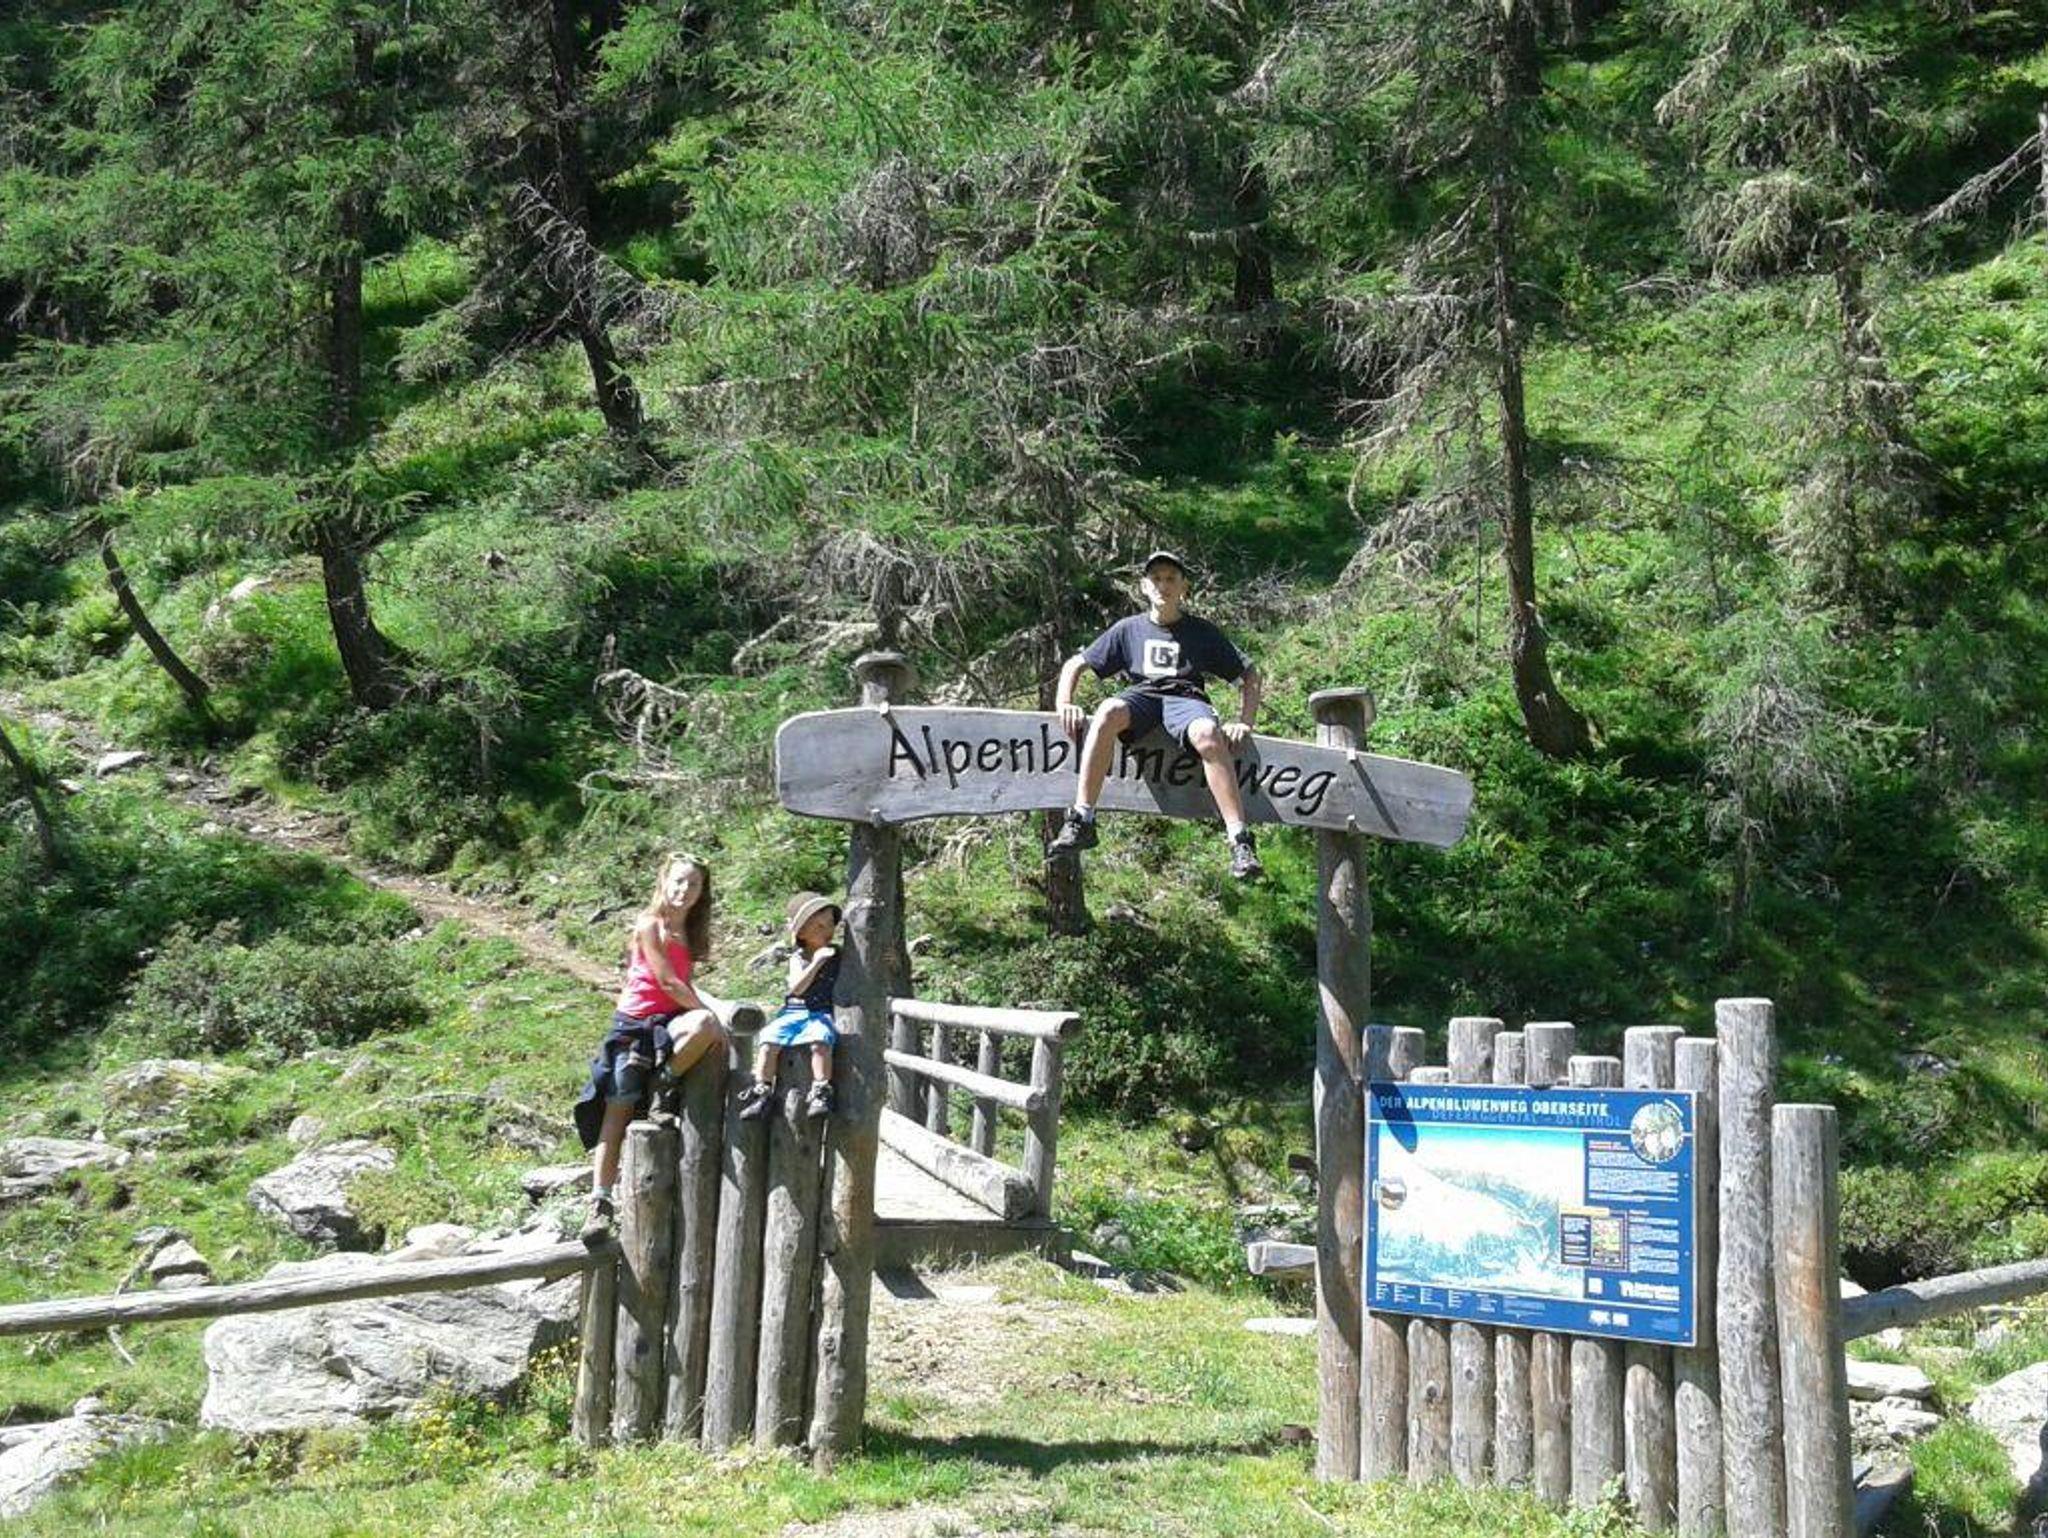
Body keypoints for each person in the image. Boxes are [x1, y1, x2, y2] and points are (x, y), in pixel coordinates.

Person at [1045, 549, 1266, 879]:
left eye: (1171, 579)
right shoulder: (1128, 629)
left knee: (1208, 734)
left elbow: (1249, 673)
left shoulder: (1201, 631)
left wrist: (1244, 722)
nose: (1163, 586)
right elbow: (1076, 664)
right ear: (1144, 586)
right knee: (1107, 711)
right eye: (1157, 579)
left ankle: (1240, 841)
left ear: (1183, 587)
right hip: (1143, 696)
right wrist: (1064, 703)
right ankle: (1082, 819)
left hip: (1186, 698)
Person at [573, 853, 727, 1243]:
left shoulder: (689, 931)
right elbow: (668, 982)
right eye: (679, 881)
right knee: (619, 1108)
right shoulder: (650, 924)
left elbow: (681, 988)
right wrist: (714, 1016)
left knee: (705, 1026)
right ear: (664, 882)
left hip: (669, 1021)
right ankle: (600, 1201)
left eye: (693, 884)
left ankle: (665, 1081)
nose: (684, 890)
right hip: (634, 1024)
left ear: (702, 892)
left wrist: (710, 1020)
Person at [739, 892, 841, 1122]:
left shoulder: (838, 955)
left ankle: (821, 1089)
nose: (827, 930)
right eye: (819, 926)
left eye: (830, 924)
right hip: (795, 1010)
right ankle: (762, 1090)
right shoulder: (799, 958)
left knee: (820, 1040)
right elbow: (796, 988)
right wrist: (816, 962)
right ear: (802, 933)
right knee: (769, 1040)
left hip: (820, 1012)